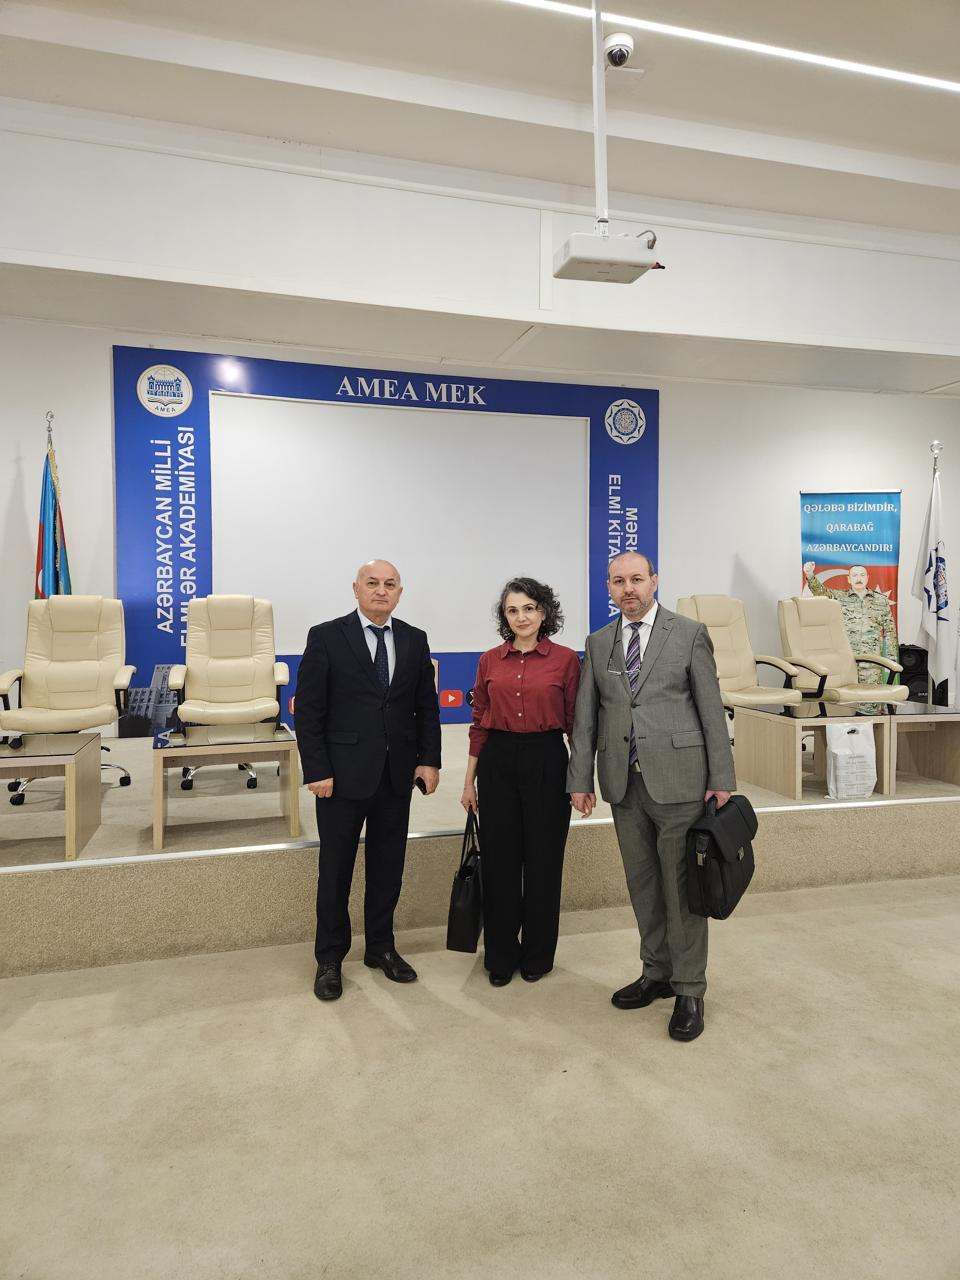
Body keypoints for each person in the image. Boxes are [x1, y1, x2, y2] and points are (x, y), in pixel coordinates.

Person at [567, 552, 735, 1042]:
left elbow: (710, 708)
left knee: (682, 890)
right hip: (624, 785)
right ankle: (656, 972)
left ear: (654, 581)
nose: (629, 589)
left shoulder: (689, 634)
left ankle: (689, 988)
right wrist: (580, 780)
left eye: (637, 579)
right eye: (618, 581)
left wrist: (721, 777)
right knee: (643, 885)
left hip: (681, 781)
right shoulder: (599, 643)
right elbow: (586, 717)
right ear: (608, 588)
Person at [295, 560, 441, 1002]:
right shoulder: (326, 636)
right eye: (372, 583)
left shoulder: (414, 639)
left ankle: (381, 947)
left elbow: (426, 707)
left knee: (387, 868)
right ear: (356, 589)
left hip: (396, 776)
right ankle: (329, 959)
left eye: (389, 584)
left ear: (400, 592)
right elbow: (310, 710)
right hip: (340, 778)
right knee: (335, 871)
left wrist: (428, 760)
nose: (381, 591)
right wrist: (317, 769)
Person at [461, 578, 581, 987]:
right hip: (497, 763)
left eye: (529, 608)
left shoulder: (566, 661)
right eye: (513, 610)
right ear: (505, 616)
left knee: (544, 862)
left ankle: (537, 955)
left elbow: (575, 725)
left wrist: (581, 781)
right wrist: (468, 783)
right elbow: (478, 725)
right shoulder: (489, 661)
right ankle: (500, 955)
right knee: (500, 864)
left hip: (548, 760)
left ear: (544, 612)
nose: (521, 617)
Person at [802, 561, 899, 686]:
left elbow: (890, 631)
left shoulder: (881, 600)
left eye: (862, 575)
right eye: (855, 575)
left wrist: (891, 659)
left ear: (868, 578)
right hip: (846, 660)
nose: (859, 579)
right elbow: (820, 592)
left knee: (871, 695)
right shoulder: (839, 597)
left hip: (872, 662)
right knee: (846, 696)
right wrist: (810, 575)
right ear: (849, 579)